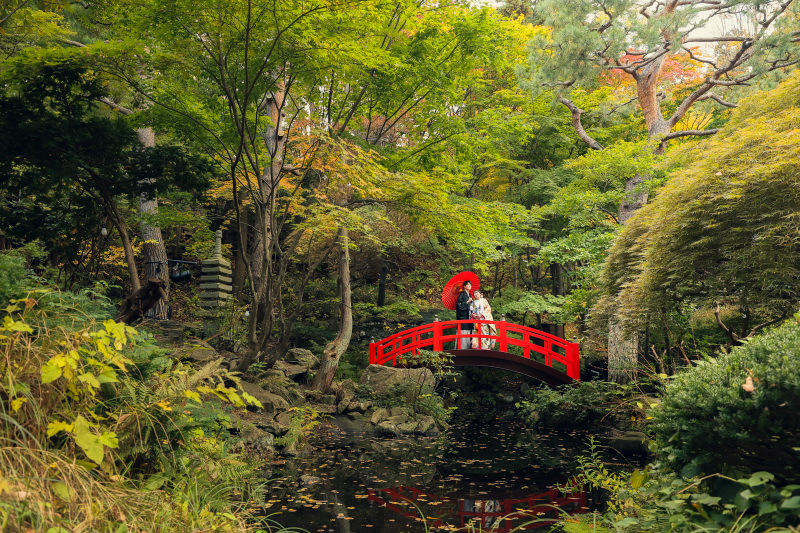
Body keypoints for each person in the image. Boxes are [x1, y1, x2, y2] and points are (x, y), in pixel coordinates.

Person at [455, 280, 474, 349]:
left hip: (469, 315)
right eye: (468, 285)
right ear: (464, 286)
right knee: (463, 330)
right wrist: (466, 302)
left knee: (470, 330)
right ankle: (462, 347)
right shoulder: (462, 295)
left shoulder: (470, 295)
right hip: (463, 316)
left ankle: (469, 346)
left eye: (470, 285)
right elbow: (458, 305)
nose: (469, 286)